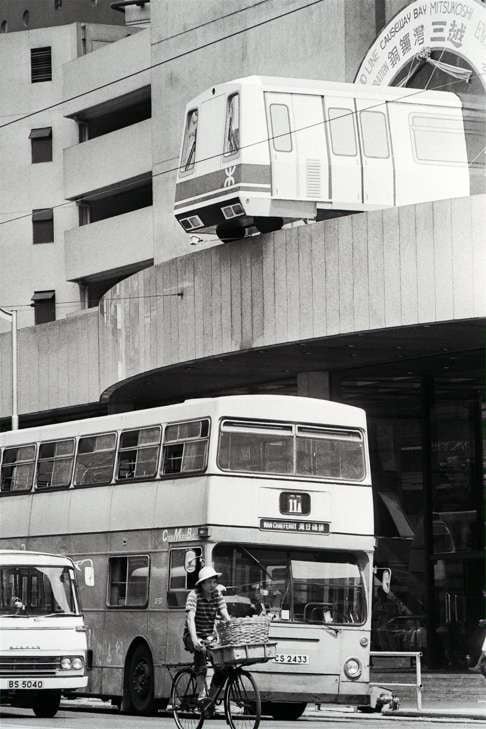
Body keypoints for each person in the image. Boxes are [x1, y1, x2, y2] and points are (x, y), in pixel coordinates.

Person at [183, 565, 231, 707]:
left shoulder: (217, 594)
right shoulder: (194, 595)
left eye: (214, 582)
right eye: (209, 582)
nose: (212, 585)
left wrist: (231, 625)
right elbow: (190, 619)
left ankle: (210, 700)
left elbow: (224, 613)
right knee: (201, 652)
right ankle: (201, 693)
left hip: (209, 637)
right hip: (192, 635)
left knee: (223, 666)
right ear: (202, 583)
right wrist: (194, 639)